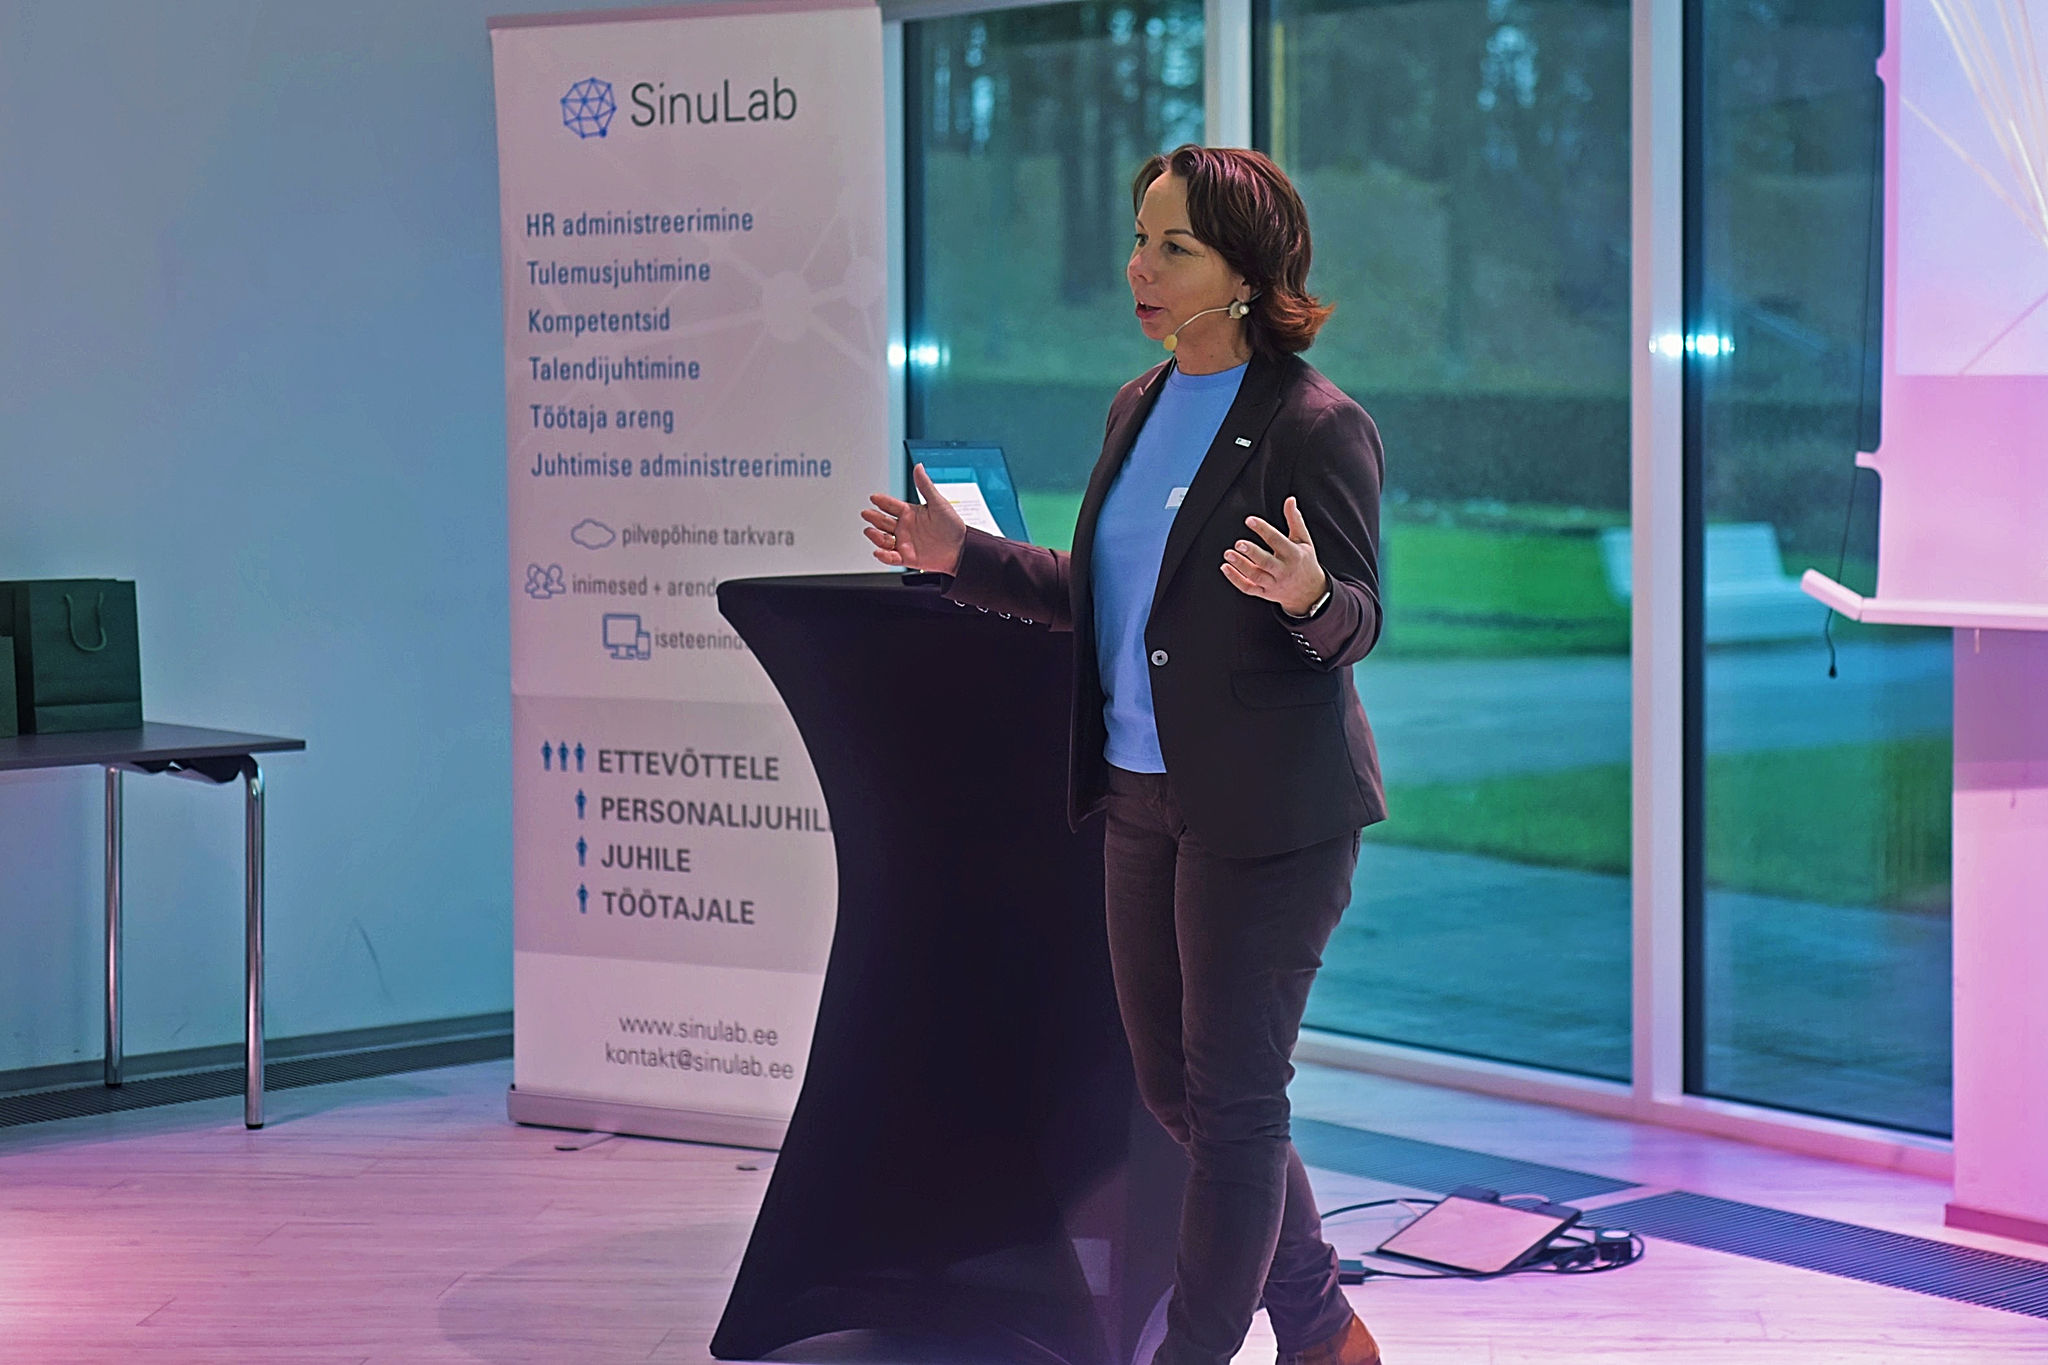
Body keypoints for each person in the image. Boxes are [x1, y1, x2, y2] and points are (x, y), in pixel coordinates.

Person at [861, 144, 1387, 1365]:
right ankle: (1321, 1330)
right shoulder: (1136, 406)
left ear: (1245, 274)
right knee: (1180, 1096)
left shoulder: (1316, 426)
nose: (1138, 268)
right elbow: (1101, 596)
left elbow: (1356, 619)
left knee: (1236, 1105)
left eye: (1172, 248)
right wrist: (960, 556)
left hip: (1269, 815)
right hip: (1142, 802)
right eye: (1139, 240)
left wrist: (1308, 596)